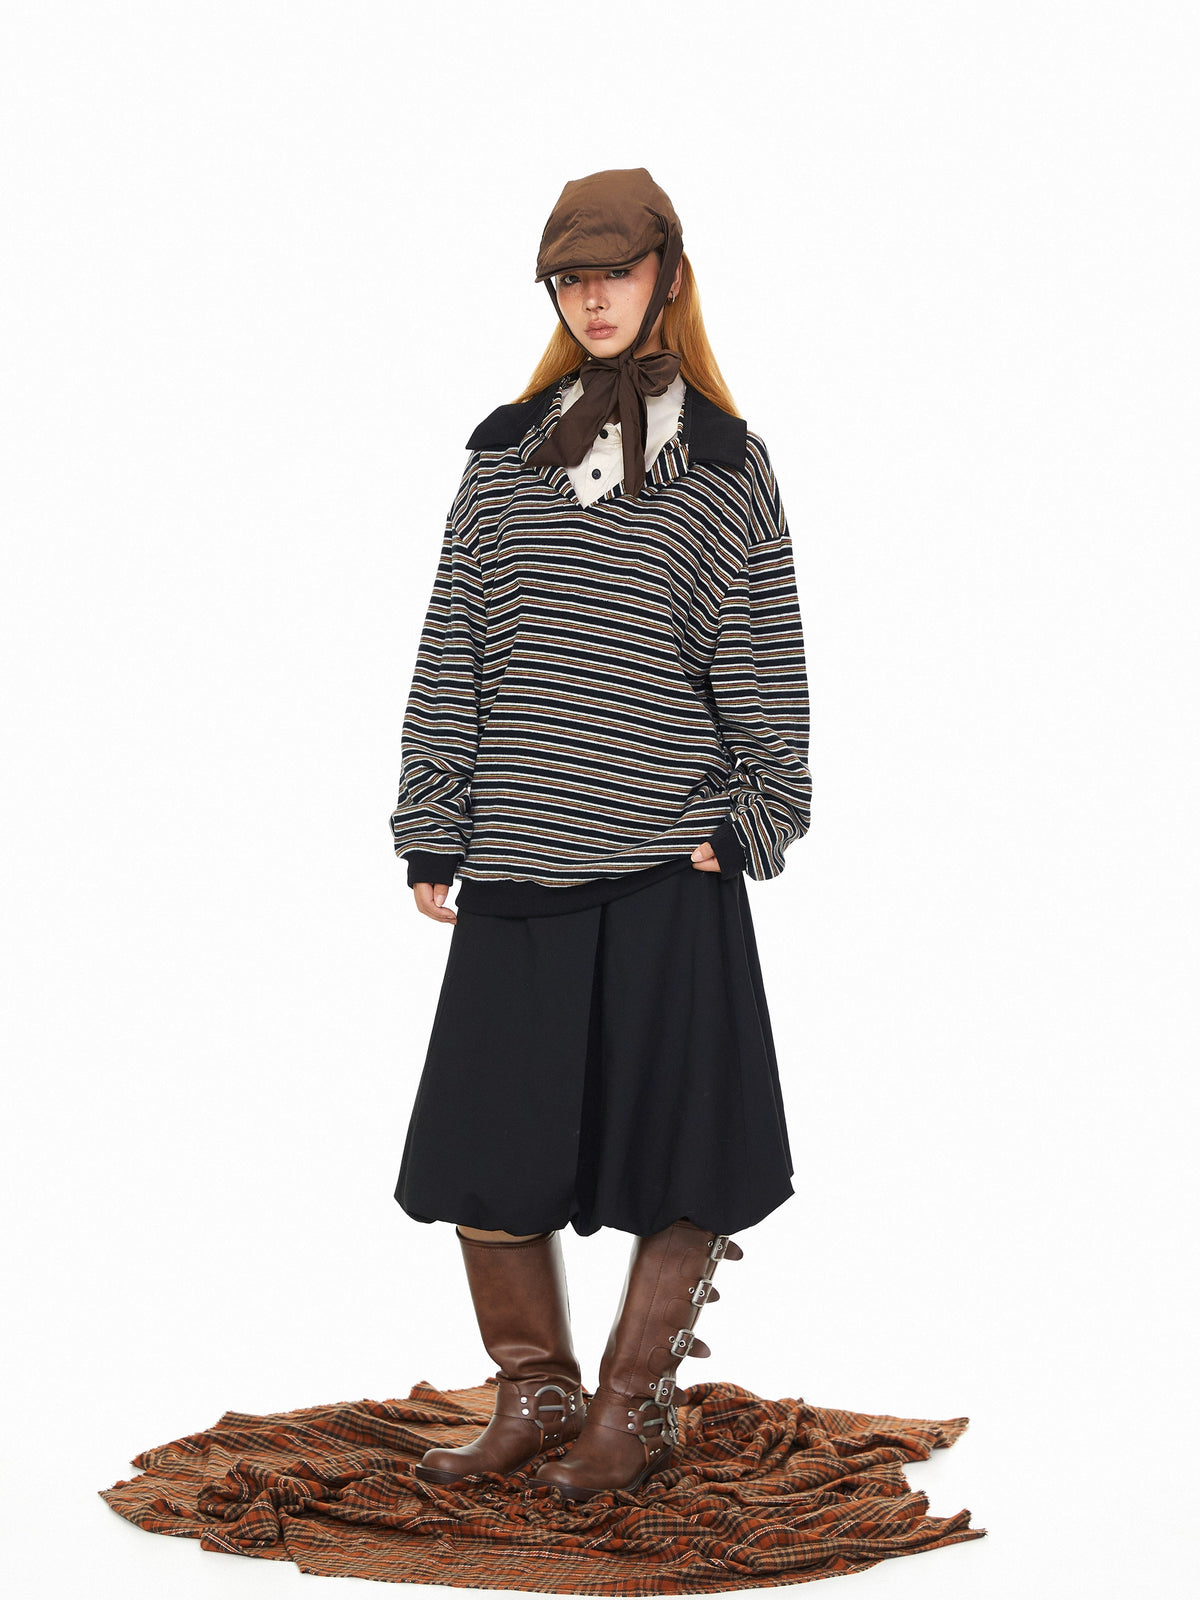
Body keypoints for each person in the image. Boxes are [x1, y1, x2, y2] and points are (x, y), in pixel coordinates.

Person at [387, 168, 812, 1502]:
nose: (593, 297)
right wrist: (433, 820)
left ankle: (630, 1412)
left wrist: (756, 809)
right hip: (522, 847)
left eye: (615, 271)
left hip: (668, 858)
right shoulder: (501, 458)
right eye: (571, 278)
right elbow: (454, 646)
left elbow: (764, 658)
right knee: (484, 1144)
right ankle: (536, 1393)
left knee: (684, 1147)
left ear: (665, 276)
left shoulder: (727, 466)